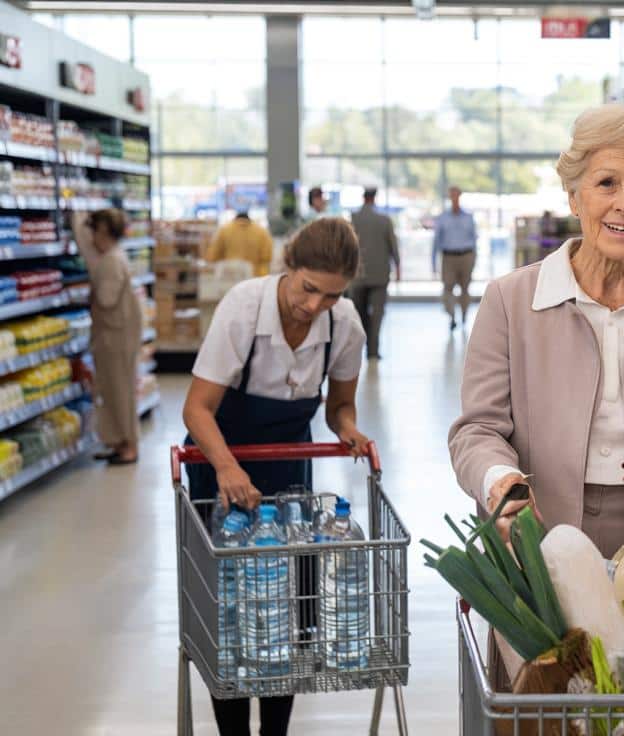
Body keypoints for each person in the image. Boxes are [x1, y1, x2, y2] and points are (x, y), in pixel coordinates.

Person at [449, 102, 624, 564]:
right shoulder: (510, 301)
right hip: (536, 537)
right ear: (574, 197)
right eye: (606, 183)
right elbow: (477, 430)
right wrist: (500, 481)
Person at [181, 217, 370, 736]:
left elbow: (340, 406)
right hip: (220, 470)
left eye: (330, 296)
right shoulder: (244, 308)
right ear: (289, 266)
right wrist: (226, 467)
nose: (314, 307)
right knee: (232, 616)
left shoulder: (344, 324)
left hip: (288, 478)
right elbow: (197, 409)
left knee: (287, 614)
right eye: (309, 289)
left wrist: (349, 429)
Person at [76, 208, 143, 465]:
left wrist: (93, 288)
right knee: (114, 390)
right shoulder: (113, 256)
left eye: (94, 229)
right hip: (115, 334)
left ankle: (129, 446)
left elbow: (106, 298)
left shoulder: (111, 261)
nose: (90, 235)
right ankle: (118, 442)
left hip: (117, 335)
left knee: (120, 391)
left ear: (103, 231)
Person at [349, 187, 400, 360]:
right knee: (377, 313)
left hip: (357, 275)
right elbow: (393, 246)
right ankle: (373, 350)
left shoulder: (353, 219)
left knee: (359, 312)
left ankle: (364, 342)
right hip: (380, 274)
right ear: (374, 198)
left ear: (363, 198)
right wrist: (398, 266)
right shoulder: (384, 220)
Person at [431, 186, 477, 330]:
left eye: (456, 195)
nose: (454, 198)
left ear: (460, 196)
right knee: (448, 288)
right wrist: (433, 263)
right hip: (449, 257)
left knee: (465, 289)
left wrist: (474, 259)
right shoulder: (443, 218)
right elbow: (436, 241)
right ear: (449, 197)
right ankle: (451, 316)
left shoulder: (468, 217)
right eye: (452, 195)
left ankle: (464, 314)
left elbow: (474, 239)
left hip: (466, 256)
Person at [207, 211, 274, 276]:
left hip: (230, 276)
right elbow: (267, 257)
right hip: (255, 277)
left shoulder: (224, 230)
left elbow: (213, 255)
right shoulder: (262, 232)